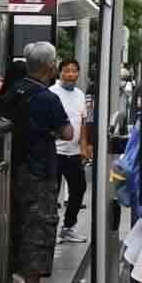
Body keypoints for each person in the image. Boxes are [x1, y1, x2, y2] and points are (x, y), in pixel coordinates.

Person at [0, 43, 75, 283]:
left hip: (10, 171)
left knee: (12, 228)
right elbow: (68, 133)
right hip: (38, 172)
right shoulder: (46, 98)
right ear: (50, 67)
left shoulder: (11, 92)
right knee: (37, 230)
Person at [54, 59, 90, 244]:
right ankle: (50, 230)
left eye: (74, 71)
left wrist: (84, 145)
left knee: (79, 188)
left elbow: (82, 122)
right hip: (54, 152)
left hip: (74, 152)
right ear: (59, 73)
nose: (70, 74)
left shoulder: (80, 95)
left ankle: (68, 227)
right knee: (52, 192)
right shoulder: (52, 93)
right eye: (67, 71)